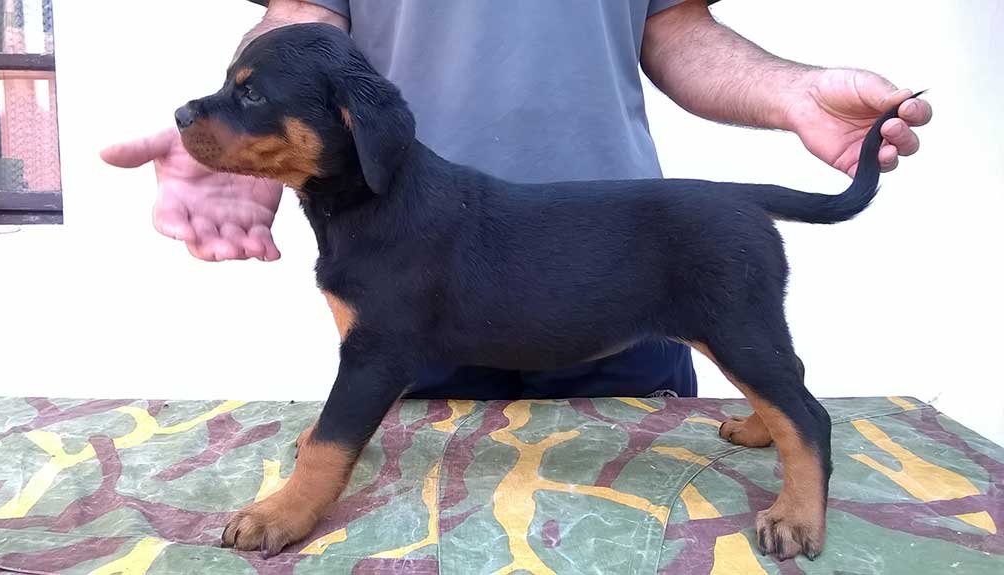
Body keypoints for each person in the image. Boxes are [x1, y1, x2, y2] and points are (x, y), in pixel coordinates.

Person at [100, 0, 932, 401]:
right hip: (414, 269)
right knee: (426, 536)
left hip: (616, 266)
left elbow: (672, 24)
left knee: (645, 529)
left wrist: (791, 91)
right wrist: (237, 127)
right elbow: (302, 20)